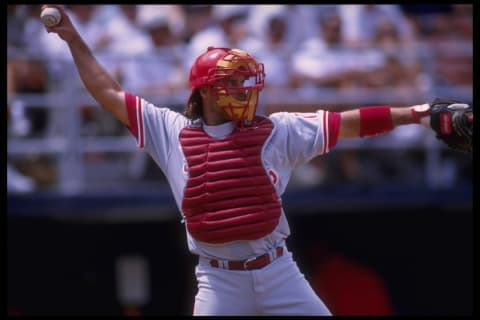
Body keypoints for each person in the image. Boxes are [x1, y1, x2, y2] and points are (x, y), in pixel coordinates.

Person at [42, 5, 445, 316]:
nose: (244, 89)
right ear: (205, 92)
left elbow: (349, 123)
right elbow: (108, 92)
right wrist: (74, 39)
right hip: (218, 280)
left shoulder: (276, 130)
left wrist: (419, 114)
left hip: (278, 271)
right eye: (232, 83)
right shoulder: (171, 132)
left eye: (245, 81)